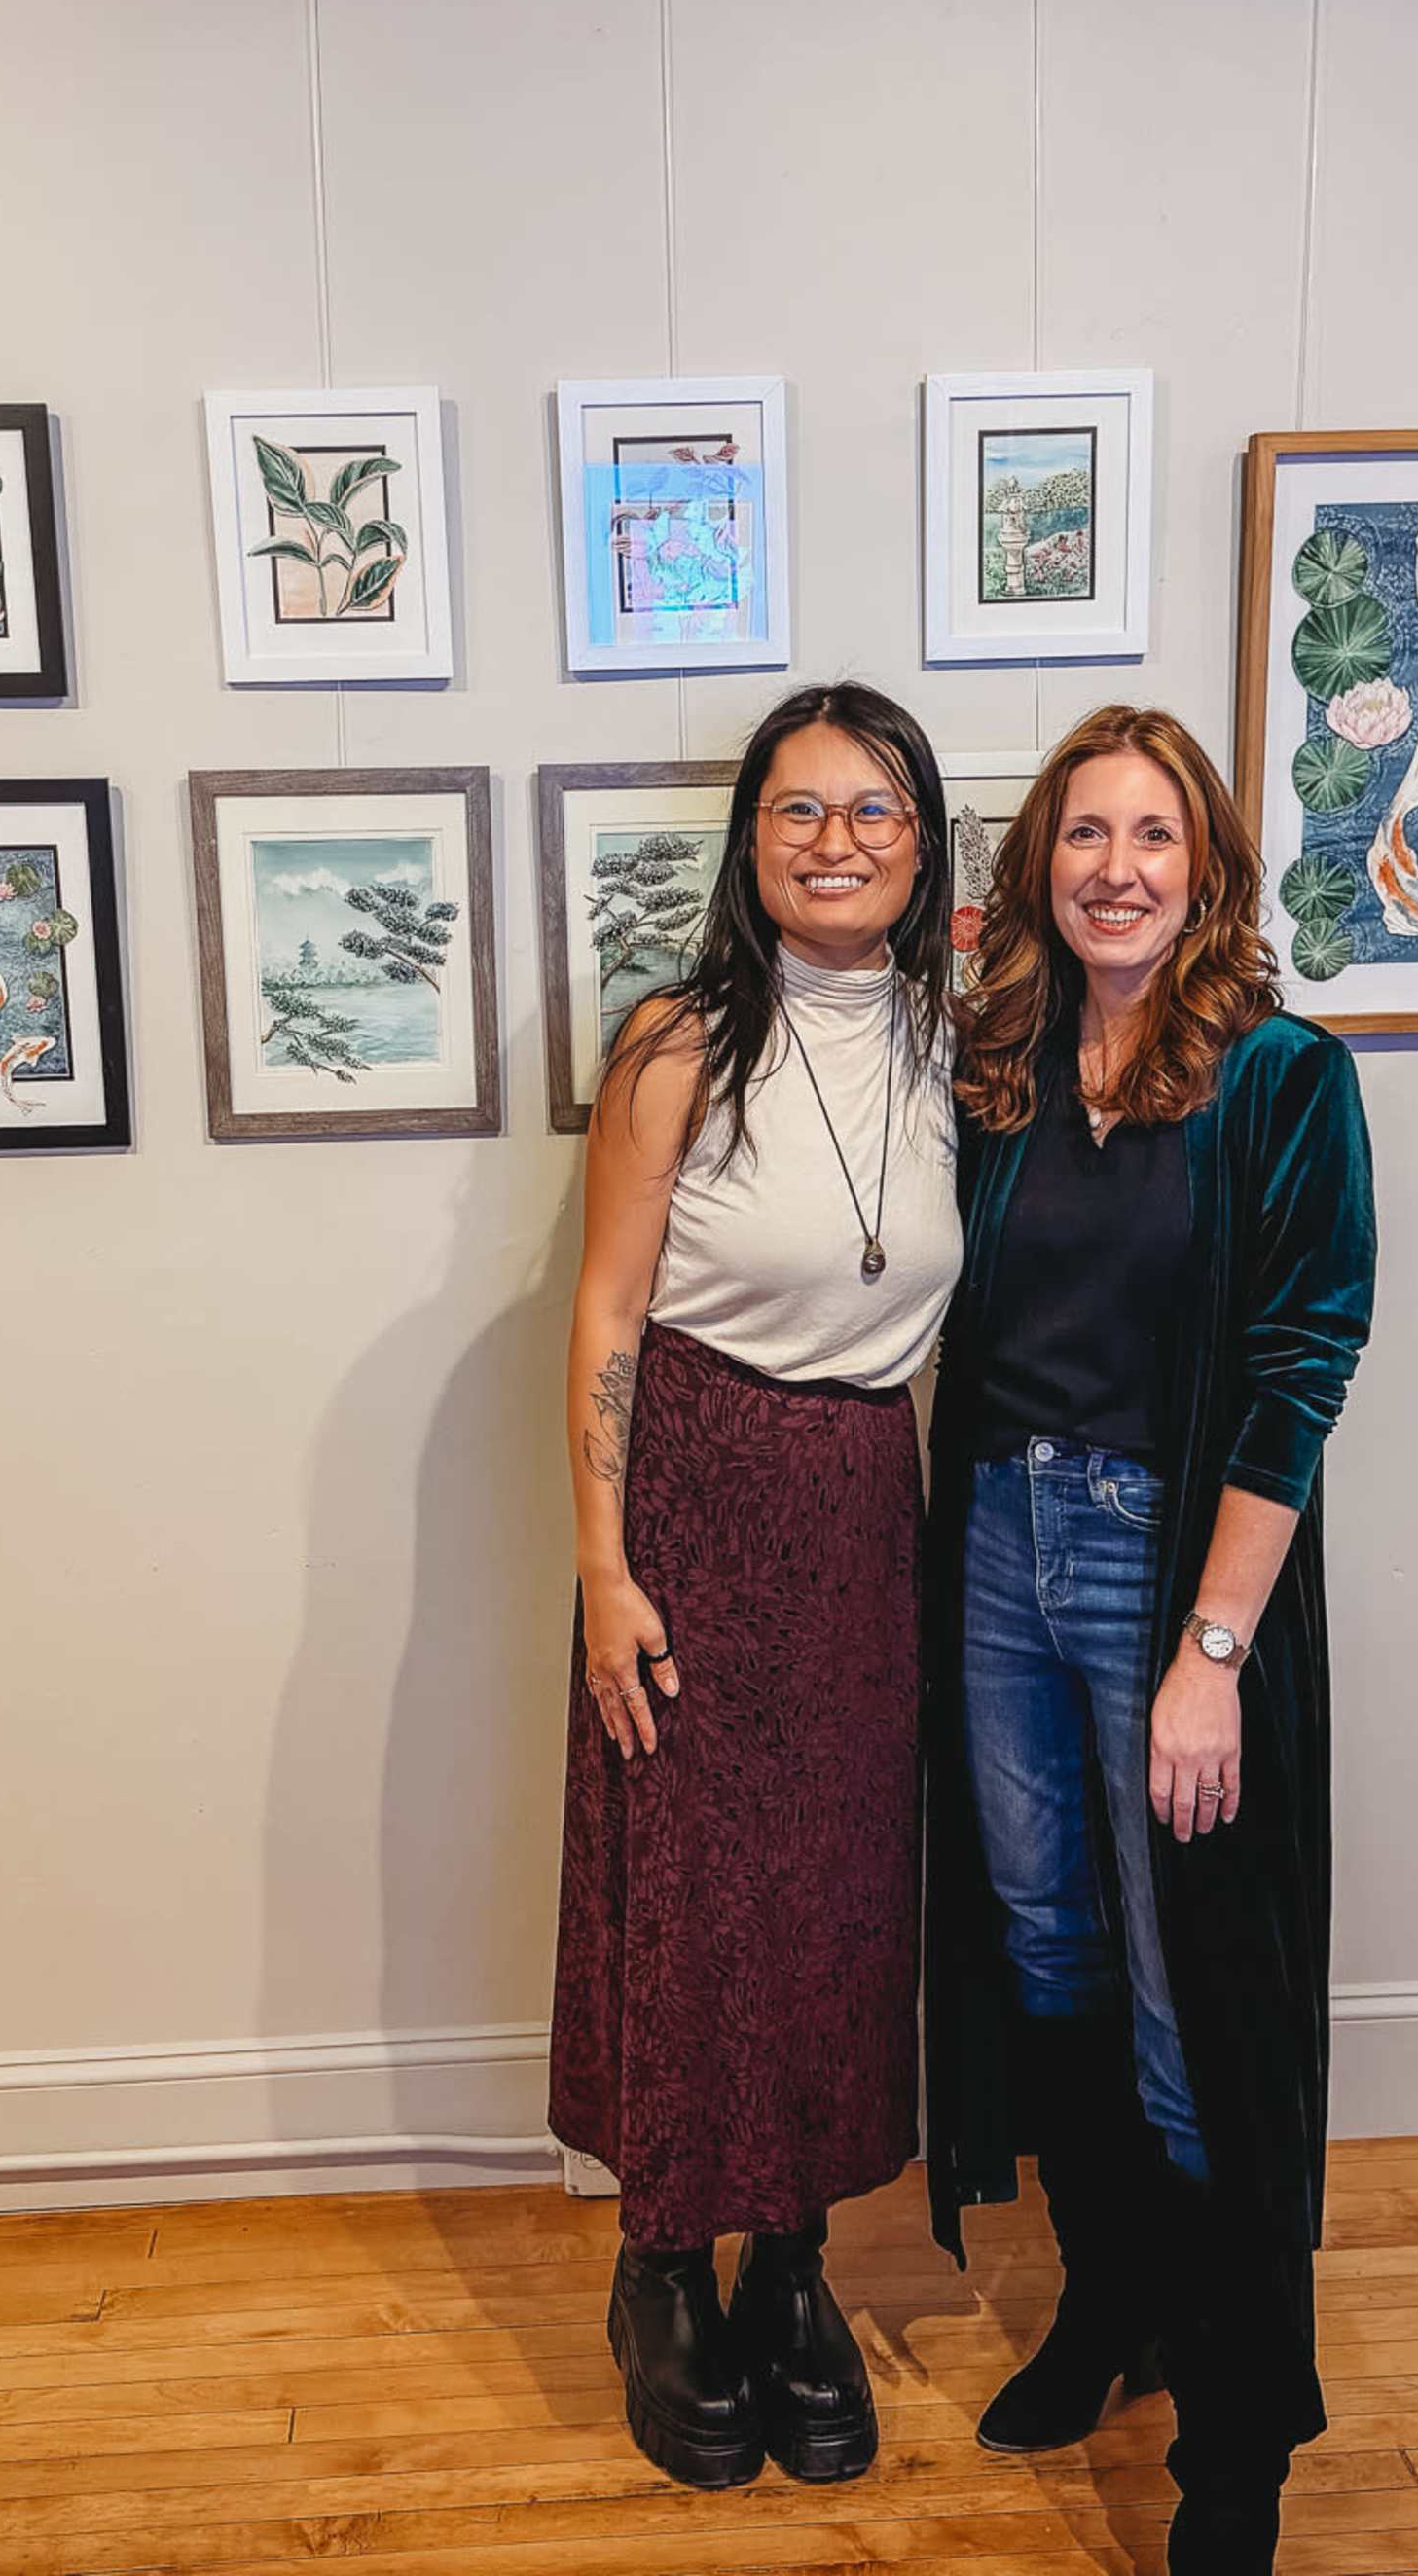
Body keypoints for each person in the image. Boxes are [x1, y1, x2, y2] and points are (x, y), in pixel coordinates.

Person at [922, 704, 1377, 2575]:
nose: (1117, 866)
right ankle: (1110, 2308)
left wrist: (1212, 1651)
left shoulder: (1280, 1077)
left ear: (1208, 869)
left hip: (1157, 1566)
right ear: (1039, 864)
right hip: (994, 1544)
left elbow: (1301, 1361)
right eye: (1084, 833)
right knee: (1045, 1944)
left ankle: (1236, 2437)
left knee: (1197, 1986)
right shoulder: (998, 1066)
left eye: (1154, 835)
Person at [549, 681, 962, 2491]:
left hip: (872, 1500)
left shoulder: (970, 1041)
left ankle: (792, 2265)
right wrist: (601, 1563)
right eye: (799, 810)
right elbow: (608, 1315)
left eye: (874, 809)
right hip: (701, 1497)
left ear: (926, 841)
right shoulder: (677, 1043)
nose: (837, 842)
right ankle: (660, 2271)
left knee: (841, 1898)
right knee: (703, 1898)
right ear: (749, 841)